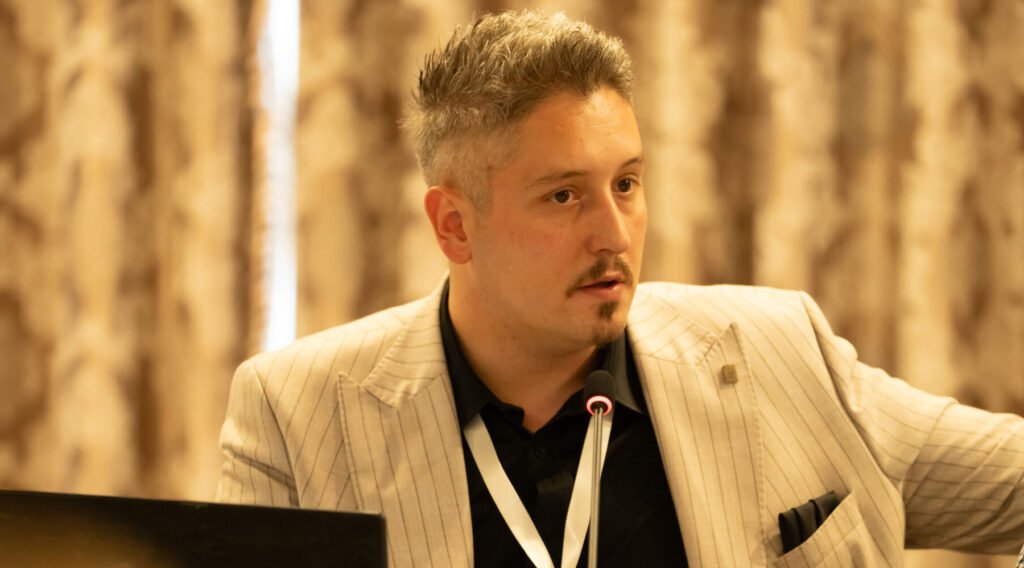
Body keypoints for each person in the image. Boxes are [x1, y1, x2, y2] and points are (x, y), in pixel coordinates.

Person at [216, 10, 1024, 567]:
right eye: (564, 196)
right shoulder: (298, 417)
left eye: (627, 184)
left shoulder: (779, 353)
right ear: (455, 225)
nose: (614, 233)